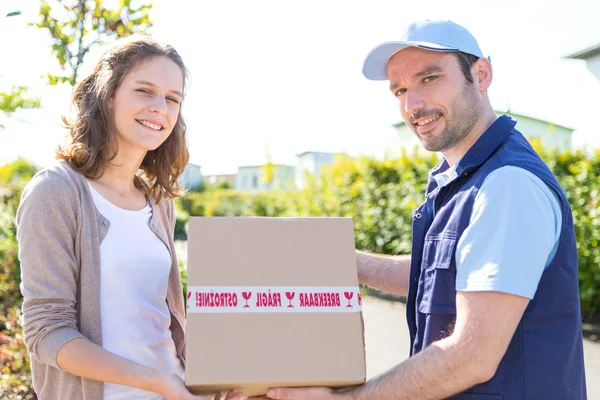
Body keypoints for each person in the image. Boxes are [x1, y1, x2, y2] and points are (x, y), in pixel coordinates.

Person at [257, 19, 587, 400]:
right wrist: (345, 262)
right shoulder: (465, 177)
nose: (412, 104)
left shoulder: (506, 185)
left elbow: (472, 356)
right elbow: (441, 277)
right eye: (400, 89)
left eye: (429, 78)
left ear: (481, 74)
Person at [16, 36, 243, 400]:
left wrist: (205, 373)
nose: (160, 108)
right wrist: (154, 381)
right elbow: (46, 332)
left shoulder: (158, 201)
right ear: (107, 96)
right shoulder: (56, 192)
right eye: (144, 91)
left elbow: (156, 318)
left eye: (172, 99)